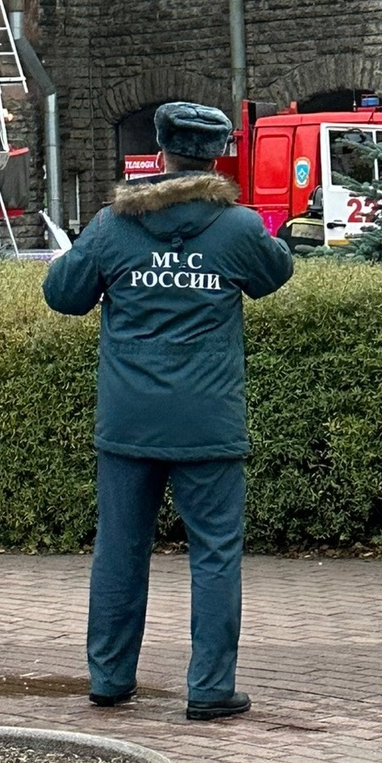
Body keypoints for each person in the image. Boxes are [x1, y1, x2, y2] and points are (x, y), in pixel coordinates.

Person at [43, 100, 293, 721]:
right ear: (215, 156)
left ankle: (109, 679)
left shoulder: (110, 226)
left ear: (159, 153)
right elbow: (274, 275)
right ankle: (209, 689)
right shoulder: (235, 227)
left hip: (128, 421)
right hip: (208, 420)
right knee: (214, 553)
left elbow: (64, 296)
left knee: (120, 548)